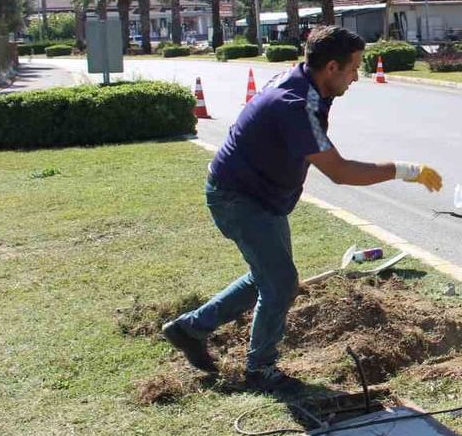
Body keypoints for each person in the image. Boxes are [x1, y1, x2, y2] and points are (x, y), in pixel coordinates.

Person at [162, 26, 444, 392]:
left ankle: (189, 329)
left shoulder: (305, 83)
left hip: (259, 195)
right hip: (239, 198)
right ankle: (260, 370)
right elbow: (340, 172)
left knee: (267, 277)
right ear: (330, 67)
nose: (357, 76)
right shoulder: (295, 105)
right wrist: (406, 170)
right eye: (353, 68)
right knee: (280, 284)